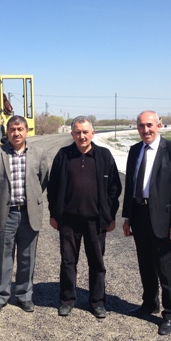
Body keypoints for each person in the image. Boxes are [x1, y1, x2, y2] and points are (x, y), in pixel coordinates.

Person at [122, 110, 171, 335]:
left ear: (159, 125)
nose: (146, 130)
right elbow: (131, 186)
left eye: (149, 125)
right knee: (145, 265)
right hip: (139, 215)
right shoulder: (135, 150)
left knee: (166, 269)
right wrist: (127, 217)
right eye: (141, 126)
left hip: (163, 218)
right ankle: (149, 303)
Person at [47, 116, 122, 319]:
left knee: (97, 263)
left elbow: (114, 188)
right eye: (78, 132)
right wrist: (54, 214)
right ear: (72, 134)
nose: (82, 136)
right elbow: (53, 187)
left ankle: (97, 302)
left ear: (93, 133)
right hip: (68, 221)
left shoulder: (104, 156)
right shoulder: (63, 155)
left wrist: (110, 216)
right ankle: (67, 300)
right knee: (68, 262)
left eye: (85, 132)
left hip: (95, 221)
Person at [0, 115, 49, 315]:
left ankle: (24, 296)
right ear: (7, 132)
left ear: (26, 131)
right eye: (12, 129)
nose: (16, 133)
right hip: (7, 214)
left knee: (27, 257)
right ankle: (1, 296)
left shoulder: (39, 153)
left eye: (20, 129)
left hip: (29, 213)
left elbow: (43, 181)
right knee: (3, 257)